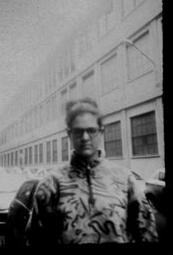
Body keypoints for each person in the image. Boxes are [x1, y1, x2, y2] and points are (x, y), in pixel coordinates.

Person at [26, 97, 158, 245]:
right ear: (69, 134)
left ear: (101, 132)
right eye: (78, 132)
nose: (85, 137)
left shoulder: (124, 179)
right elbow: (35, 238)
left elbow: (146, 233)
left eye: (91, 130)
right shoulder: (51, 183)